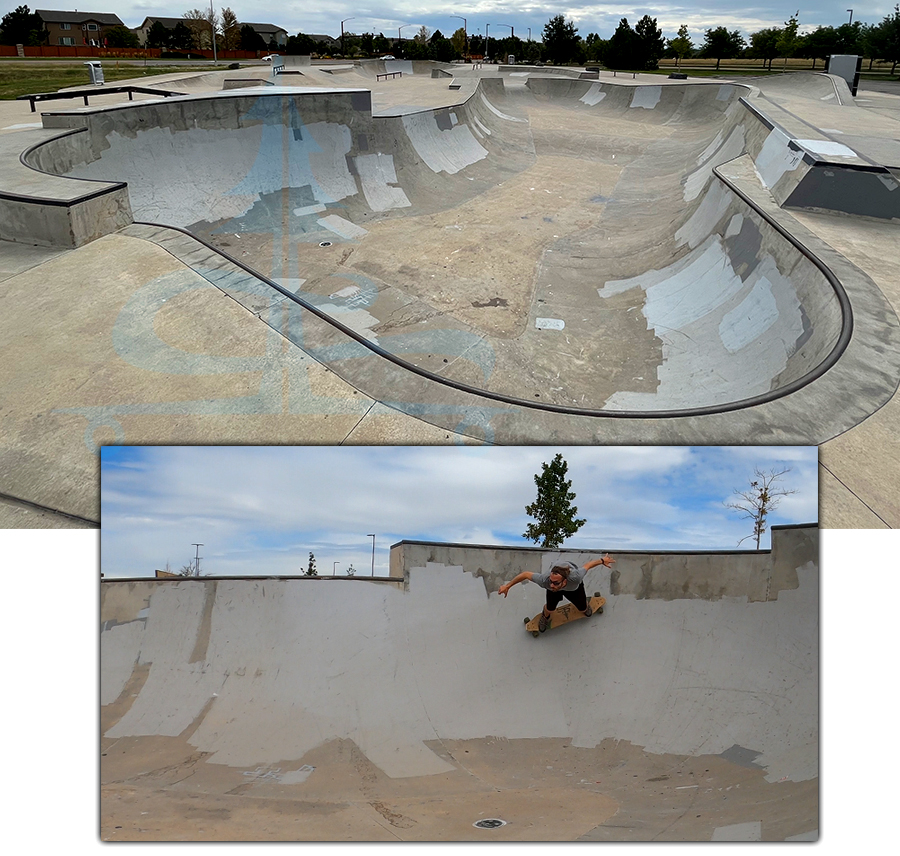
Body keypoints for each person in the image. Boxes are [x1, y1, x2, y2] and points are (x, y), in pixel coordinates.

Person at [498, 555, 615, 632]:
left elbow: (587, 566)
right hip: (554, 591)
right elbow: (525, 574)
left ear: (564, 580)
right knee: (550, 608)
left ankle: (584, 607)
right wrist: (507, 586)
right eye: (551, 581)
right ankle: (545, 616)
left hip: (574, 589)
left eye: (555, 583)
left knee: (583, 608)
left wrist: (602, 561)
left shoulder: (576, 577)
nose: (552, 585)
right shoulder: (545, 581)